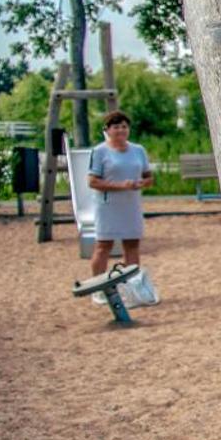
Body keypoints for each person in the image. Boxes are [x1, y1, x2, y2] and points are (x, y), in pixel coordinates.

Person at [85, 110, 153, 302]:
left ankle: (132, 287)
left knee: (132, 245)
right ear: (107, 130)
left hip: (131, 205)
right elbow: (92, 181)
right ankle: (99, 288)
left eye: (124, 126)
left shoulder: (138, 150)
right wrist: (120, 186)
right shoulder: (99, 151)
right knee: (103, 246)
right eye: (116, 127)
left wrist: (142, 183)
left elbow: (148, 177)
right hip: (108, 206)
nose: (121, 130)